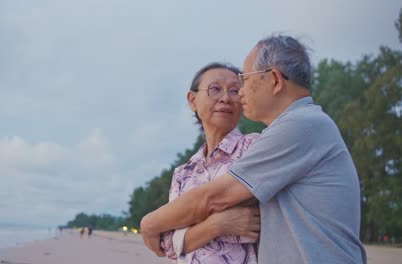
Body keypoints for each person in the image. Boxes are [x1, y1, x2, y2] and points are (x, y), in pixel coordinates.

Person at [141, 35, 367, 264]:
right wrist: (213, 225)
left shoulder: (299, 126)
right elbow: (172, 243)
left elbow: (215, 198)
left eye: (244, 81)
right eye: (214, 89)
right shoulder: (299, 126)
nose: (238, 94)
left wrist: (148, 224)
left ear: (276, 80)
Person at [159, 62, 261, 263]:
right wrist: (217, 224)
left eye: (235, 91)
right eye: (215, 89)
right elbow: (168, 244)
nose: (225, 98)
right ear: (193, 100)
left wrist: (190, 232)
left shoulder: (254, 148)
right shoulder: (183, 173)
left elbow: (254, 220)